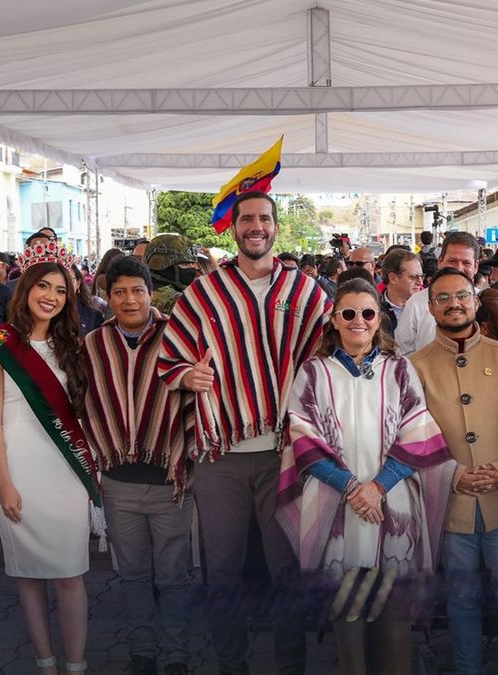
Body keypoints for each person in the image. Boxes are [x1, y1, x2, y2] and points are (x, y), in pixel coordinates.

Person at [157, 190, 329, 675]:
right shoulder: (204, 292)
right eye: (247, 219)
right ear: (234, 228)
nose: (256, 226)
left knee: (288, 569)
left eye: (264, 218)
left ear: (276, 227)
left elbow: (328, 357)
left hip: (285, 453)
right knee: (224, 571)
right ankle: (231, 665)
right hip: (221, 455)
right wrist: (188, 376)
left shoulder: (305, 291)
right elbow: (169, 359)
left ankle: (289, 666)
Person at [278, 277, 455, 675]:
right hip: (334, 503)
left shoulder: (399, 371)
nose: (359, 321)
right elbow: (302, 437)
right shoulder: (313, 372)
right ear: (334, 319)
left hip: (391, 503)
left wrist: (377, 488)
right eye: (349, 313)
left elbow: (419, 433)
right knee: (348, 614)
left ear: (379, 321)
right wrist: (352, 489)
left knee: (394, 616)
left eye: (368, 313)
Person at [409, 269, 498, 675]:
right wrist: (450, 474)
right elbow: (412, 435)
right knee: (461, 599)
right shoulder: (414, 366)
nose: (454, 304)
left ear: (475, 301)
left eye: (462, 296)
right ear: (431, 307)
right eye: (443, 298)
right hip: (451, 505)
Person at [0, 241, 96, 675]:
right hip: (18, 470)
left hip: (65, 471)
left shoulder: (75, 345)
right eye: (43, 286)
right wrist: (3, 483)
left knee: (70, 572)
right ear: (25, 287)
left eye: (61, 291)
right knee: (27, 574)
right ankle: (45, 665)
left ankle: (77, 665)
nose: (51, 296)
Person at [80, 256, 193, 675]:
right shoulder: (93, 344)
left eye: (137, 291)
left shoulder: (176, 339)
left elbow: (192, 398)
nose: (129, 300)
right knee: (132, 575)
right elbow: (86, 403)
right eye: (119, 292)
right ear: (107, 297)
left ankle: (177, 654)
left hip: (169, 479)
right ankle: (142, 653)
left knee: (174, 577)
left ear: (150, 294)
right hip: (118, 482)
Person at [395, 231, 480, 355]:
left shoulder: (485, 298)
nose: (459, 268)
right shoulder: (417, 302)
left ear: (476, 266)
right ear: (440, 261)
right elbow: (403, 351)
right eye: (452, 261)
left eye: (466, 263)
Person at [378, 249, 422, 334]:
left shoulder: (429, 306)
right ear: (393, 278)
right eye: (413, 277)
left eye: (421, 276)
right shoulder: (374, 310)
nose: (420, 282)